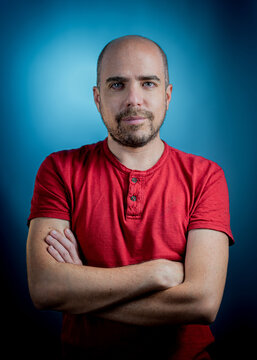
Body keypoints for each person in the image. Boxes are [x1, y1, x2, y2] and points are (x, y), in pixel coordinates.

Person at [26, 35, 234, 359]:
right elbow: (45, 289)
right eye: (117, 85)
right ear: (97, 98)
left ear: (168, 95)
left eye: (148, 84)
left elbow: (202, 303)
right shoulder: (59, 170)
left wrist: (82, 291)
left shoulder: (206, 177)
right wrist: (159, 273)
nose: (133, 99)